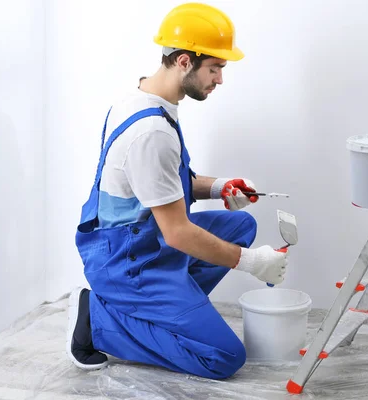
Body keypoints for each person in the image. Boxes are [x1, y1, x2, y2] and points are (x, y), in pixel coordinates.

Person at [66, 2, 289, 380]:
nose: (219, 79)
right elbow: (177, 231)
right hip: (129, 261)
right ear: (184, 61)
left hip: (143, 239)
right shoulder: (151, 132)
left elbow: (164, 183)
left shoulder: (143, 100)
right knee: (222, 356)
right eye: (215, 68)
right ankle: (98, 318)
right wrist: (252, 263)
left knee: (240, 228)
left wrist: (219, 188)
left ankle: (167, 310)